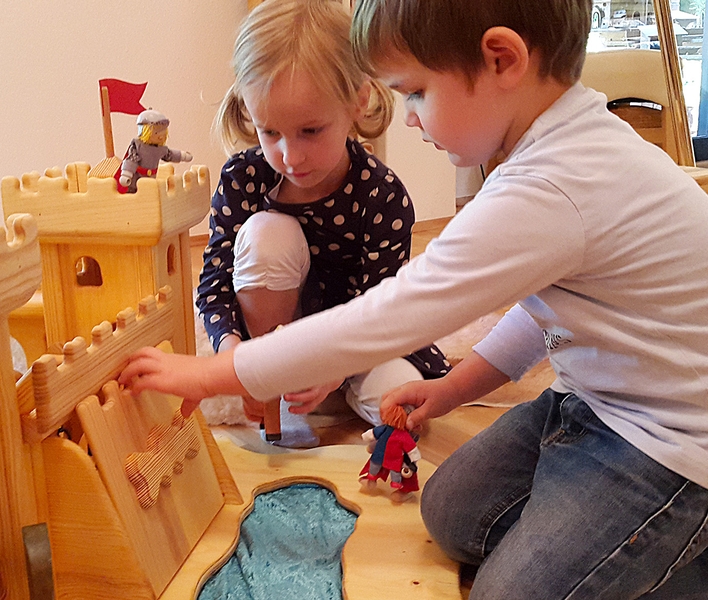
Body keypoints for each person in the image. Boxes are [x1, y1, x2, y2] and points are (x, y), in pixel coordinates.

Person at [120, 0, 708, 596]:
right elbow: (544, 313)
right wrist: (451, 389)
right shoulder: (557, 155)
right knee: (451, 515)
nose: (407, 118)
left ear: (501, 60)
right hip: (589, 403)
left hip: (673, 449)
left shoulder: (555, 183)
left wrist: (216, 373)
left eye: (418, 92)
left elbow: (392, 314)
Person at [193, 0, 449, 443]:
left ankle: (324, 393)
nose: (290, 156)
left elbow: (384, 311)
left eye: (311, 130)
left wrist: (332, 369)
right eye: (269, 131)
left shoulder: (381, 196)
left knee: (402, 405)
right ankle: (271, 380)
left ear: (359, 100)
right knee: (264, 234)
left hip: (354, 348)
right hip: (273, 341)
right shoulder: (244, 178)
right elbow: (214, 282)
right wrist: (237, 358)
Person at [115, 109, 193, 194]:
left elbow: (170, 155)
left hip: (151, 178)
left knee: (149, 191)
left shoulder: (160, 149)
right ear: (144, 131)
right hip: (137, 178)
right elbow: (131, 159)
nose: (161, 137)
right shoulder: (138, 146)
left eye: (163, 135)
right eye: (156, 134)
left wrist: (183, 156)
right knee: (134, 191)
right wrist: (127, 173)